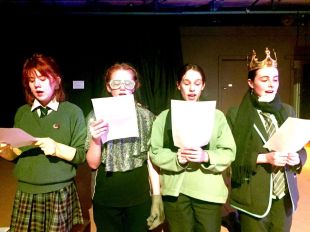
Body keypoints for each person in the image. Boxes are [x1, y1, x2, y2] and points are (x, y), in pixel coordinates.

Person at [0, 53, 87, 231]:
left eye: (42, 78)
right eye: (31, 80)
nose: (37, 84)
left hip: (58, 191)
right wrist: (4, 151)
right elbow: (17, 155)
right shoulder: (22, 113)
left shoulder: (72, 112)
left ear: (56, 80)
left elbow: (80, 155)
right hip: (25, 191)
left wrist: (56, 148)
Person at [226, 47, 307, 232]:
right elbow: (230, 156)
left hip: (284, 197)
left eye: (275, 79)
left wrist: (297, 159)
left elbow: (301, 149)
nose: (272, 84)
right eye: (264, 79)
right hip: (254, 198)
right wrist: (264, 158)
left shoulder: (287, 110)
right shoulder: (237, 114)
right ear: (250, 82)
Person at [150, 63, 236, 232]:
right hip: (176, 192)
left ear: (203, 86)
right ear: (178, 85)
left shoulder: (216, 116)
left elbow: (228, 152)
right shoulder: (164, 117)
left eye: (197, 83)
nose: (191, 89)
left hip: (207, 191)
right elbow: (155, 151)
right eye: (186, 82)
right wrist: (176, 158)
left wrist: (206, 156)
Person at [85, 62, 164, 232]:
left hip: (138, 195)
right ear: (108, 86)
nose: (122, 88)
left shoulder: (147, 117)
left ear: (135, 86)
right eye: (116, 83)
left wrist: (156, 196)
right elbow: (92, 164)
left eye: (127, 83)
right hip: (106, 194)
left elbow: (151, 160)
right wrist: (95, 139)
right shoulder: (95, 116)